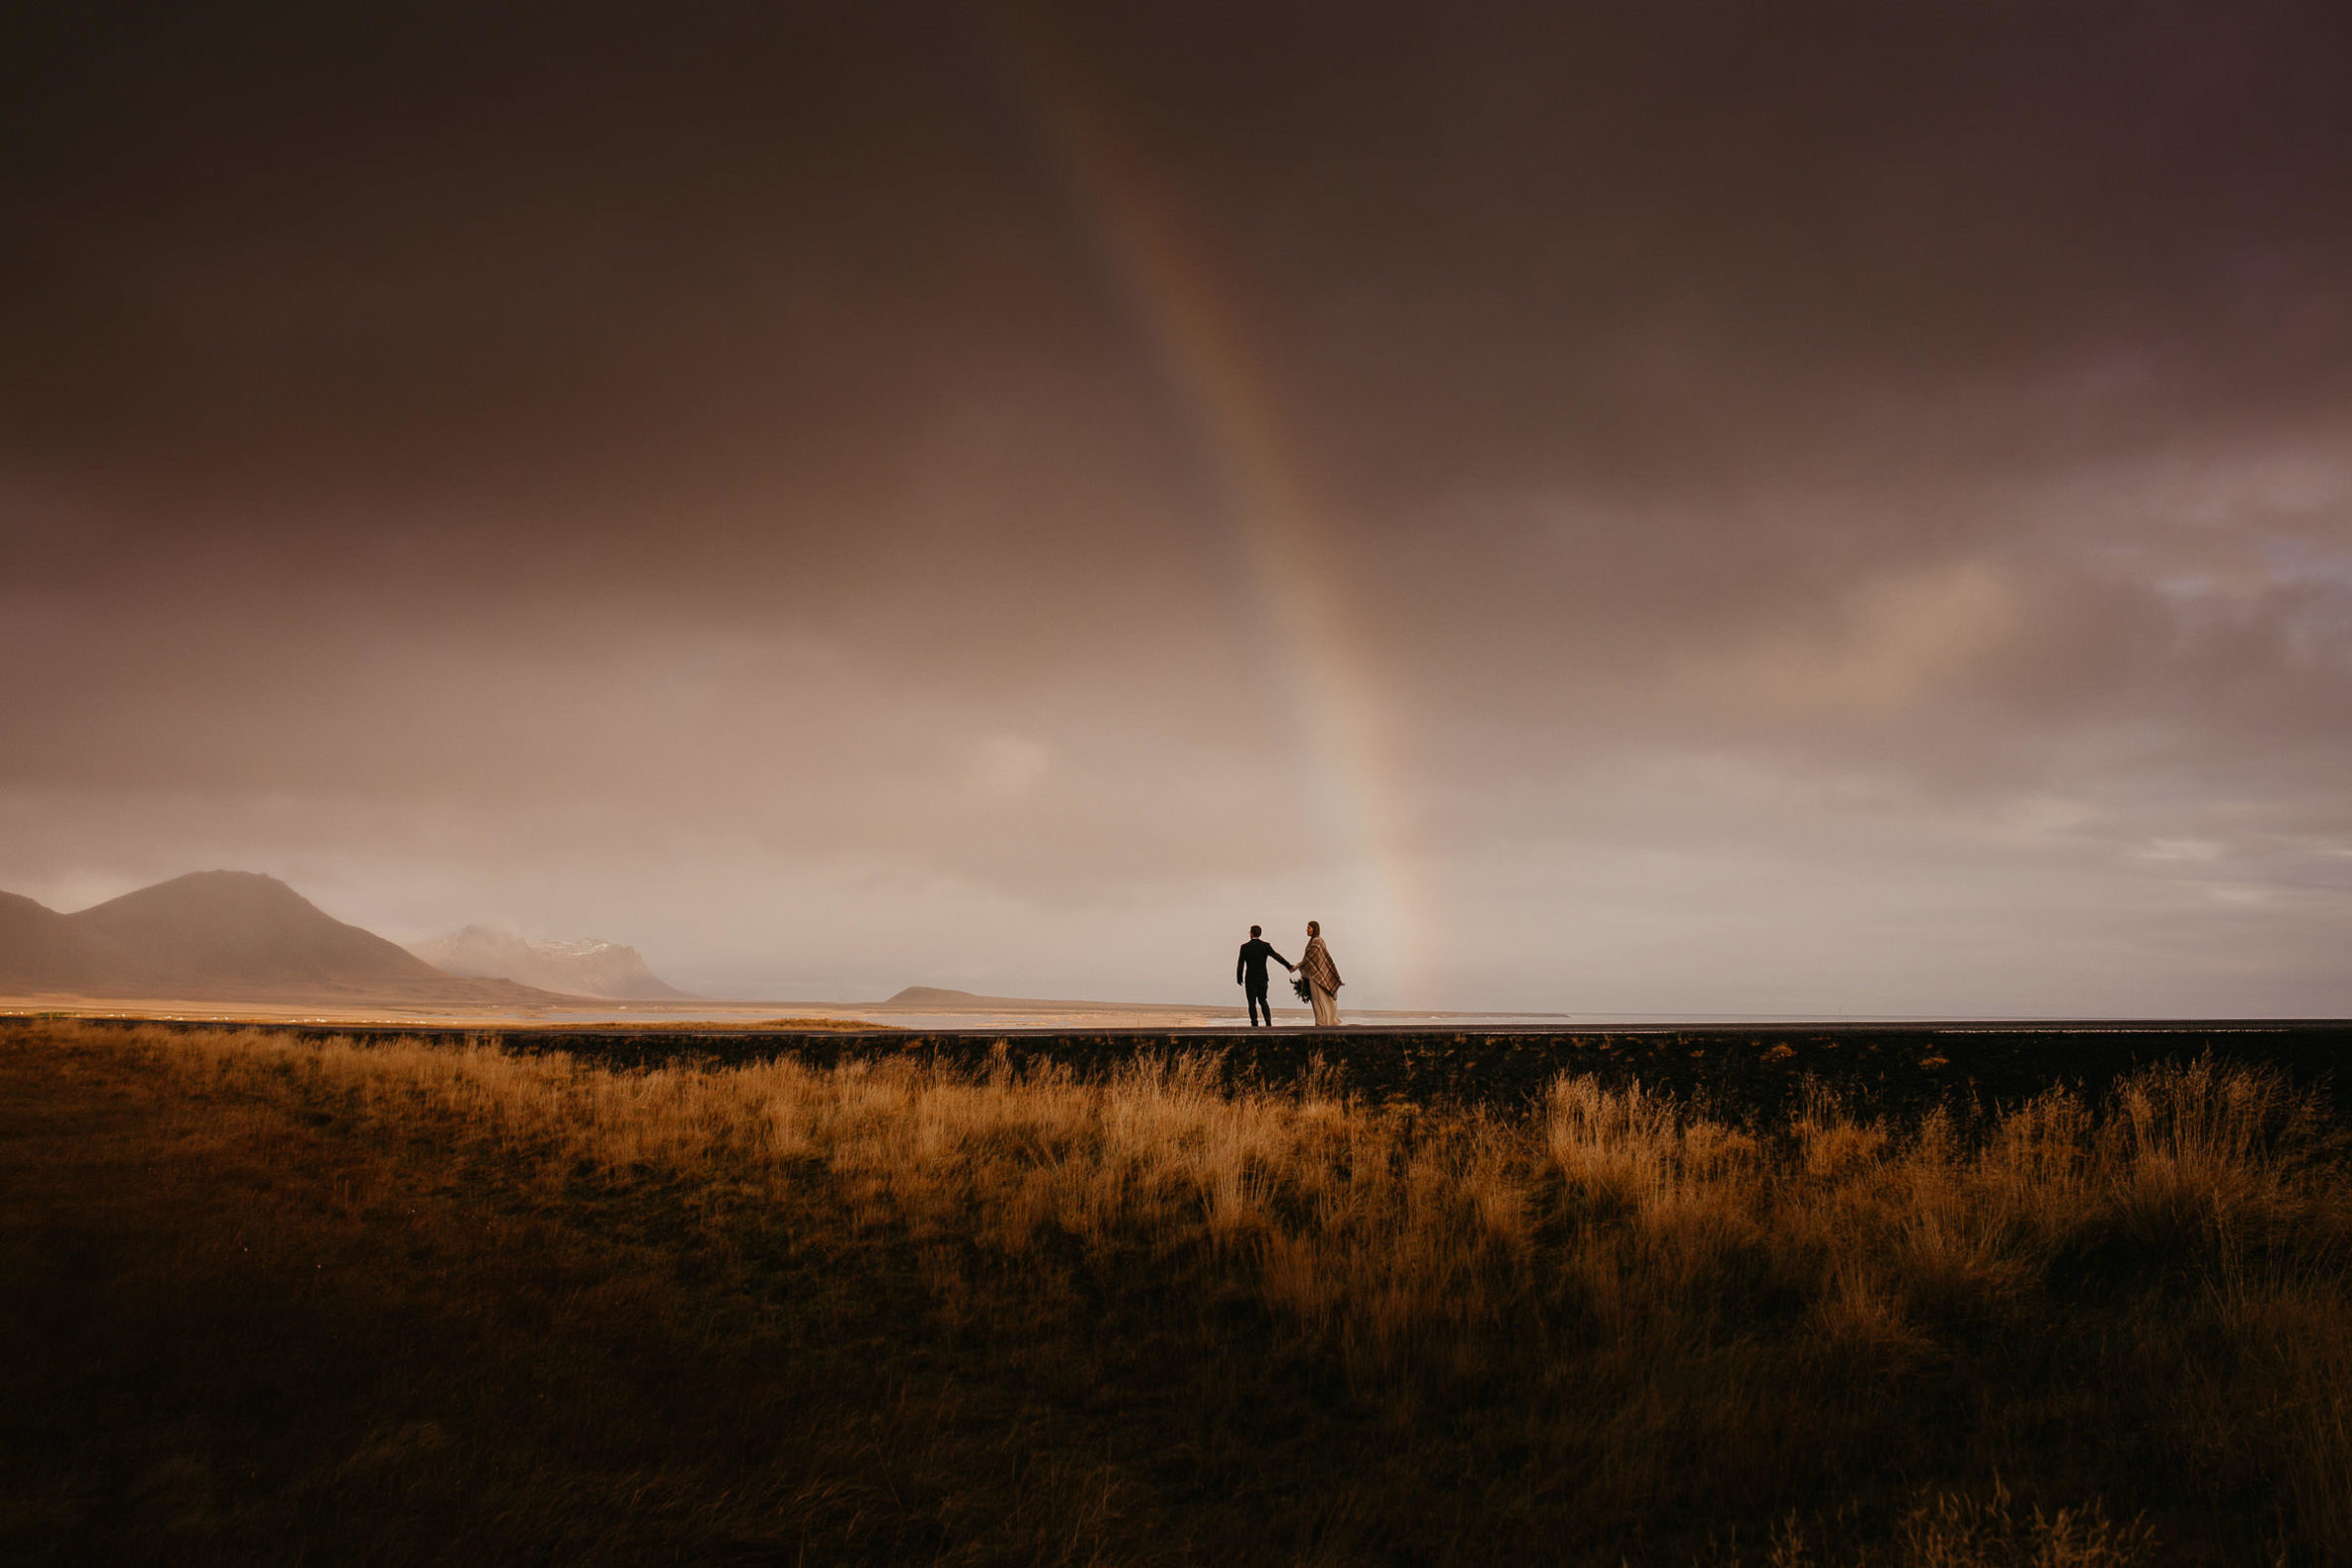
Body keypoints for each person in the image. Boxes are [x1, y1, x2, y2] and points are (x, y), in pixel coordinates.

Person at [1235, 925, 1292, 1027]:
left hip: (1250, 978)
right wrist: (1288, 965)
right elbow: (1276, 956)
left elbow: (1241, 963)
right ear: (1259, 933)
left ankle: (1254, 1024)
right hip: (1263, 978)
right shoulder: (1265, 946)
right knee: (1263, 1000)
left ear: (1251, 934)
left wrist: (1239, 977)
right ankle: (1268, 1022)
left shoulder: (1244, 947)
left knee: (1251, 1003)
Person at [1297, 920, 1342, 1026]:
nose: (1307, 930)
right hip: (1313, 975)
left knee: (1322, 999)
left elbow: (1312, 957)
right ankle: (1322, 1021)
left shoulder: (1317, 941)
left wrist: (1299, 965)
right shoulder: (1312, 941)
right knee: (1317, 999)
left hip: (1318, 975)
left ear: (1314, 929)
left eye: (1309, 928)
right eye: (1307, 928)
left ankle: (1324, 1022)